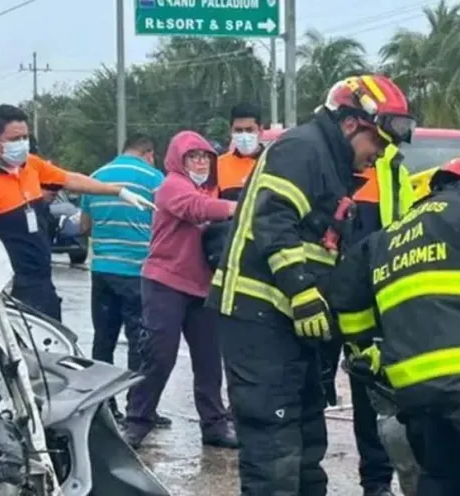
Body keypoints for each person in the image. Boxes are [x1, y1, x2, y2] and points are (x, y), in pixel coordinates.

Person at [207, 74, 415, 495]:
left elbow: (326, 251)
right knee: (274, 443)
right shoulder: (304, 149)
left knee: (305, 438)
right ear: (353, 124)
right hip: (257, 317)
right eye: (376, 143)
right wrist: (301, 291)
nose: (377, 157)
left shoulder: (332, 163)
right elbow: (273, 219)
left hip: (286, 323)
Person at [325, 148, 460, 496]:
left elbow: (347, 296)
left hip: (413, 390)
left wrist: (364, 351)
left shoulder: (388, 235)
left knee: (443, 476)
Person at [0, 104, 155, 322]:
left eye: (25, 138)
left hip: (41, 280)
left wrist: (117, 191)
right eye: (15, 139)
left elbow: (70, 179)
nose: (22, 144)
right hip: (10, 288)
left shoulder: (31, 166)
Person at [122, 130, 239, 450]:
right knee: (159, 355)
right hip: (165, 282)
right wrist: (239, 208)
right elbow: (196, 208)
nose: (200, 162)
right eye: (193, 156)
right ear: (177, 159)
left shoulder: (204, 189)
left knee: (208, 360)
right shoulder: (173, 185)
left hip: (201, 287)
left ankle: (214, 425)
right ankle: (137, 421)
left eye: (205, 157)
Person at [318, 143, 416, 496]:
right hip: (320, 293)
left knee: (369, 389)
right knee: (312, 388)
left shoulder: (394, 172)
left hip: (372, 297)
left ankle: (376, 483)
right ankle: (306, 478)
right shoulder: (325, 163)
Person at [79, 134, 169, 423]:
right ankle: (138, 409)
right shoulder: (155, 179)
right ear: (148, 153)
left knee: (103, 340)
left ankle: (102, 407)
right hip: (137, 273)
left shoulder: (96, 177)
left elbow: (84, 226)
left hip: (103, 271)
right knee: (138, 342)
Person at [217, 102, 265, 201]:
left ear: (260, 130)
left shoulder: (274, 163)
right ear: (231, 131)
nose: (244, 136)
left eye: (249, 130)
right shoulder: (218, 165)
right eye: (238, 130)